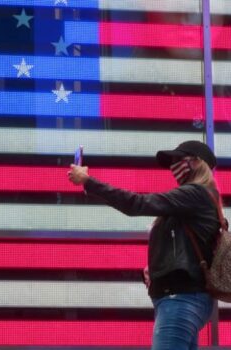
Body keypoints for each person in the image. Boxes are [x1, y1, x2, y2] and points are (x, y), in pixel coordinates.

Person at [67, 140, 221, 350]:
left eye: (179, 160)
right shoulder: (193, 200)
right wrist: (156, 270)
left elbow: (136, 203)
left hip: (181, 299)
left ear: (196, 163)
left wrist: (89, 182)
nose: (173, 166)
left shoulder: (195, 194)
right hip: (180, 298)